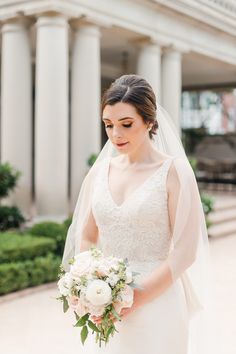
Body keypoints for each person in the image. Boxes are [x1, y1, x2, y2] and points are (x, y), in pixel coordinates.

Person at [62, 74, 211, 354]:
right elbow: (87, 236)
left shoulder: (174, 172)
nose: (115, 134)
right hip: (106, 304)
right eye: (108, 125)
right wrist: (90, 286)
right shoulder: (99, 172)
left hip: (159, 304)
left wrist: (134, 298)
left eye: (126, 124)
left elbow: (185, 252)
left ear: (150, 122)